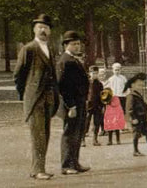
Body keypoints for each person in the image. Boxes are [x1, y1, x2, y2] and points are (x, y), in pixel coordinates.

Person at [13, 14, 60, 181]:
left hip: (49, 98)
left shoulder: (51, 49)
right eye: (40, 27)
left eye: (46, 27)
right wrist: (26, 95)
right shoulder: (29, 49)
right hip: (34, 99)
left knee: (45, 134)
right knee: (37, 135)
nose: (43, 30)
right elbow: (19, 75)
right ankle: (37, 170)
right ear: (34, 29)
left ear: (50, 31)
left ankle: (40, 168)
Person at [56, 30, 91, 175]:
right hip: (72, 104)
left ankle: (75, 163)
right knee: (69, 134)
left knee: (77, 133)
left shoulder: (74, 59)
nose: (78, 46)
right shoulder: (65, 61)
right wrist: (71, 105)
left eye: (78, 44)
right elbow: (63, 86)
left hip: (80, 102)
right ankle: (66, 165)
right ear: (66, 45)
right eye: (74, 44)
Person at [124, 74, 147, 156]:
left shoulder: (138, 94)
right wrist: (133, 118)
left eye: (141, 85)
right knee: (136, 134)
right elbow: (129, 109)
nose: (140, 86)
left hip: (142, 117)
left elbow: (144, 105)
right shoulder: (131, 96)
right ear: (132, 85)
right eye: (138, 85)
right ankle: (135, 151)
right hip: (137, 118)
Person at [86, 66, 104, 146]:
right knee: (86, 122)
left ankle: (95, 139)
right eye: (93, 73)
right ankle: (83, 139)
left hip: (97, 106)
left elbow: (102, 95)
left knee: (97, 123)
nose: (95, 75)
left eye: (96, 73)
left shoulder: (100, 84)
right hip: (88, 106)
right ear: (90, 73)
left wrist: (102, 106)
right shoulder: (87, 83)